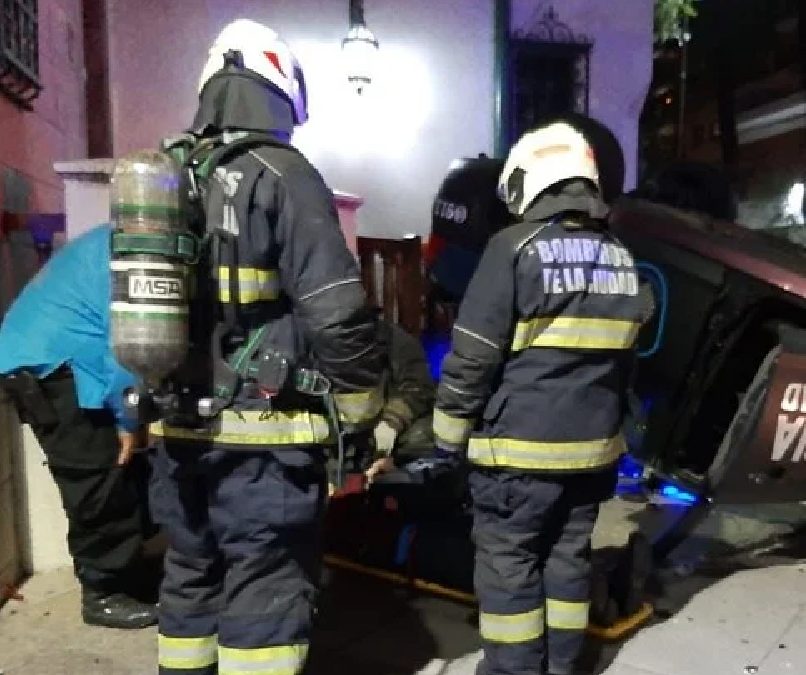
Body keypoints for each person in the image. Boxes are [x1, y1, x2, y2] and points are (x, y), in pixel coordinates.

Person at [144, 19, 385, 675]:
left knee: (190, 575)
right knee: (265, 588)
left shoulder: (166, 174)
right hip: (263, 442)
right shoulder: (285, 174)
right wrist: (361, 411)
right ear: (283, 93)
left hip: (177, 431)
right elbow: (337, 312)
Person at [432, 121, 648, 675]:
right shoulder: (621, 258)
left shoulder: (513, 248)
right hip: (591, 457)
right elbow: (624, 365)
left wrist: (446, 440)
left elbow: (474, 355)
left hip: (517, 459)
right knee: (568, 563)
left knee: (510, 571)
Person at [0, 224, 158, 630]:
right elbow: (128, 345)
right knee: (99, 479)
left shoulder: (123, 237)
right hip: (57, 370)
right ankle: (103, 594)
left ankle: (122, 575)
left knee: (118, 475)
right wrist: (128, 417)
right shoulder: (138, 249)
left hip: (57, 362)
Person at [364, 319, 437, 482]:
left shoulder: (393, 339)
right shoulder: (315, 340)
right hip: (338, 441)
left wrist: (391, 422)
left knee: (421, 436)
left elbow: (419, 386)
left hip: (388, 434)